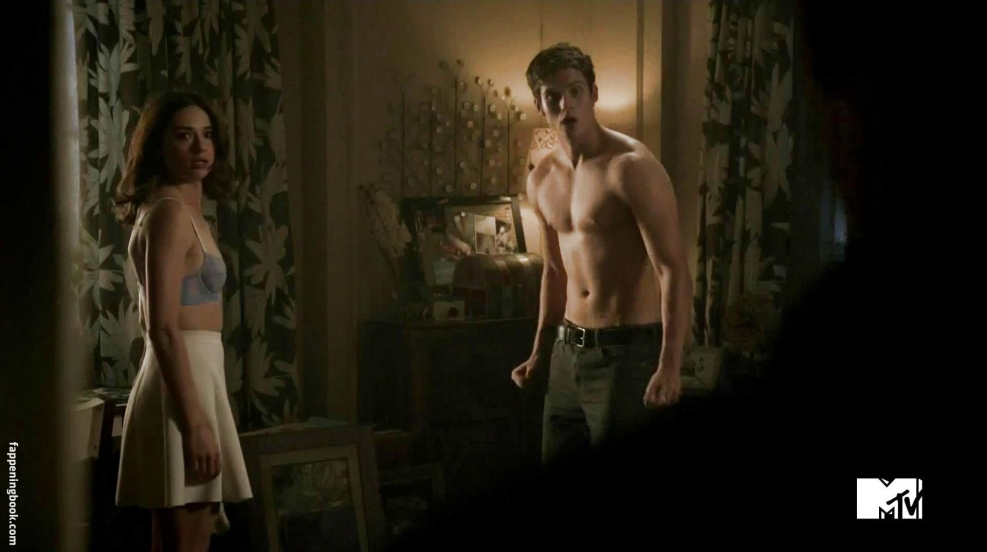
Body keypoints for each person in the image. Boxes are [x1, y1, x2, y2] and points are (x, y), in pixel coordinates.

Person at [509, 42, 694, 464]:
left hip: (625, 356)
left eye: (575, 91)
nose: (566, 105)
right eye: (553, 96)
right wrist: (540, 351)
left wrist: (670, 364)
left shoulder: (631, 167)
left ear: (593, 94)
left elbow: (673, 270)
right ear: (540, 104)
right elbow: (554, 272)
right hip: (565, 353)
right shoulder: (541, 179)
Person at [113, 90, 253, 552]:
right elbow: (162, 327)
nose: (200, 147)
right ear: (160, 145)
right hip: (181, 385)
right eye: (184, 136)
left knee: (189, 537)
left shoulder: (185, 212)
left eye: (207, 135)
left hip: (198, 377)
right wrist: (194, 422)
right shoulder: (169, 214)